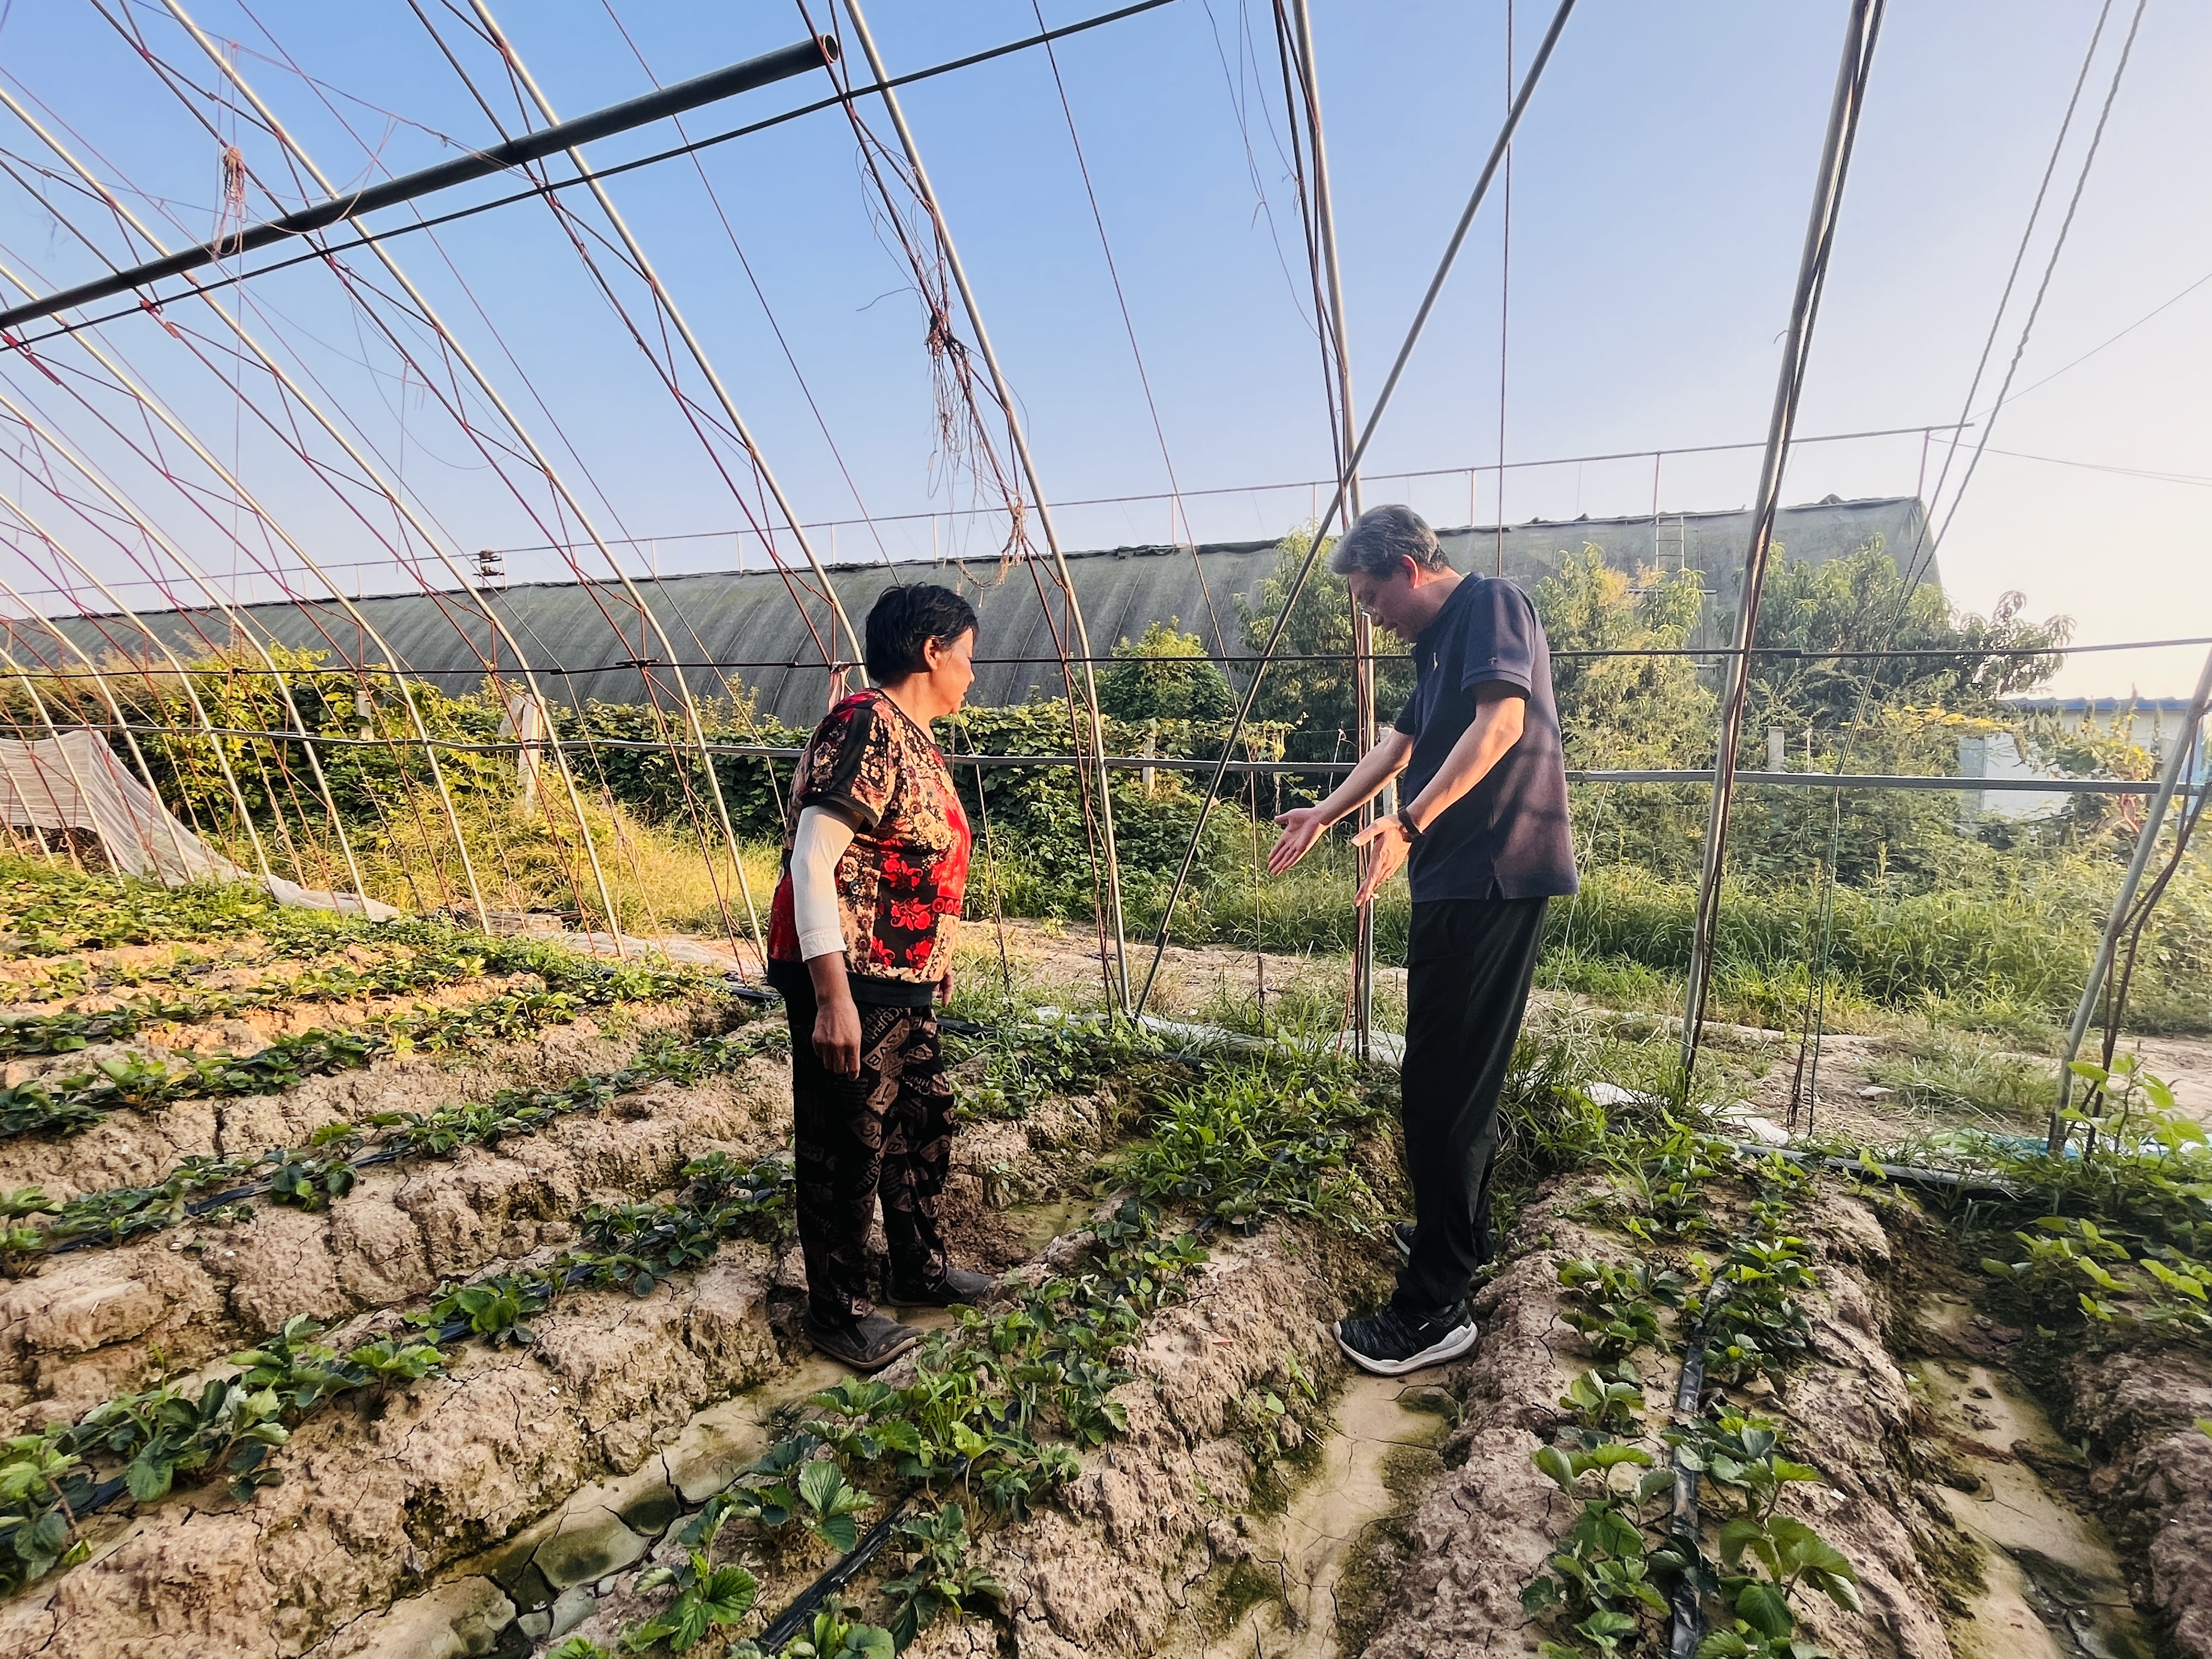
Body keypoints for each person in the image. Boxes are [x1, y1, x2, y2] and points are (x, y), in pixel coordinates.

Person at [1268, 505, 1576, 1376]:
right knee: (1445, 1074)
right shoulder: (1435, 648)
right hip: (1458, 878)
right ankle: (1454, 1234)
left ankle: (1435, 1306)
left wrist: (1407, 825)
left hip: (1493, 873)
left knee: (1443, 1085)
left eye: (1370, 599)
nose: (1371, 617)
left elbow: (1502, 726)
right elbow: (1400, 744)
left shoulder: (1490, 606)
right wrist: (1329, 813)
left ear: (1408, 566)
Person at [765, 584, 995, 1372]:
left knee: (918, 1129)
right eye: (968, 656)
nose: (973, 673)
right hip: (850, 979)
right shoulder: (865, 724)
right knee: (847, 1148)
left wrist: (937, 961)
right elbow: (812, 860)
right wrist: (832, 998)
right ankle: (837, 1311)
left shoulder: (915, 740)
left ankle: (918, 1271)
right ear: (931, 651)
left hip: (903, 981)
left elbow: (910, 865)